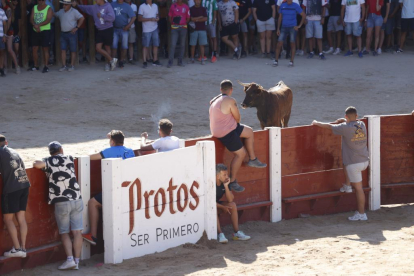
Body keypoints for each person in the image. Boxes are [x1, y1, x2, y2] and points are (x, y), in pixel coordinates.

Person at [311, 106, 369, 221]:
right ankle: (347, 186)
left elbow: (329, 126)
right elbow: (351, 125)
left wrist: (317, 123)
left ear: (346, 116)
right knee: (346, 163)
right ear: (357, 116)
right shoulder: (362, 124)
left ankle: (362, 214)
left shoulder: (344, 128)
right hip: (364, 161)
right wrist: (345, 121)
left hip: (354, 164)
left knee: (358, 189)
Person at [209, 80, 267, 192]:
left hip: (222, 129)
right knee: (240, 154)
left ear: (221, 90)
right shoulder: (231, 100)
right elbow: (238, 118)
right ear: (231, 90)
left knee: (249, 132)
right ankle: (233, 181)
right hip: (226, 132)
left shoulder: (215, 100)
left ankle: (253, 159)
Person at [33, 142, 83, 270]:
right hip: (77, 198)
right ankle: (77, 262)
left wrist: (44, 160)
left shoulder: (49, 161)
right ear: (61, 149)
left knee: (64, 232)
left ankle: (70, 259)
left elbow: (36, 164)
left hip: (61, 201)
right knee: (77, 232)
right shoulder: (70, 158)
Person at [82, 130, 135, 245]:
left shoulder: (108, 151)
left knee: (92, 203)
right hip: (128, 191)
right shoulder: (130, 151)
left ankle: (93, 235)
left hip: (115, 190)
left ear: (112, 141)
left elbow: (89, 157)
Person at [0, 135, 30, 258]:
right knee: (21, 218)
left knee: (7, 219)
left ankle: (17, 248)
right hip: (24, 185)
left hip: (12, 188)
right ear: (6, 142)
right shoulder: (14, 151)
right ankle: (23, 248)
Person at [75, 0, 117, 71]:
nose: (95, 0)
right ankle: (111, 60)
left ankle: (107, 64)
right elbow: (86, 8)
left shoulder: (108, 6)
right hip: (99, 30)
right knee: (98, 48)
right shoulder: (94, 7)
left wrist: (102, 16)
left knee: (107, 47)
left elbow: (112, 18)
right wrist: (77, 5)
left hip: (108, 29)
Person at [215, 164, 251, 243]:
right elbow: (209, 203)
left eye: (227, 174)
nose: (227, 176)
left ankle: (236, 233)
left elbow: (230, 199)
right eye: (224, 175)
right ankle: (220, 234)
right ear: (217, 176)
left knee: (232, 205)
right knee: (213, 209)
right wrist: (223, 207)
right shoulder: (211, 184)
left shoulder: (225, 182)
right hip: (210, 207)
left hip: (218, 205)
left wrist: (226, 186)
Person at [55, 0, 84, 72]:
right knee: (63, 50)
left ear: (70, 5)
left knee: (73, 50)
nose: (64, 6)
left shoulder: (74, 11)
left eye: (66, 4)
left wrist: (77, 27)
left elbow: (82, 18)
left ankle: (72, 65)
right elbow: (54, 14)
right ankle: (64, 66)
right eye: (63, 4)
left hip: (71, 33)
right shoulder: (61, 11)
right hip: (63, 33)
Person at [274, 0, 305, 67]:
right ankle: (276, 61)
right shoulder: (282, 5)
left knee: (292, 44)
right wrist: (278, 28)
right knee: (279, 43)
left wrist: (299, 26)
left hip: (292, 27)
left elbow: (303, 15)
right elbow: (280, 17)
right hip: (284, 27)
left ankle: (291, 61)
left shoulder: (295, 5)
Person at [29, 0, 53, 73]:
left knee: (45, 48)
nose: (40, 1)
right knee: (34, 48)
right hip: (35, 30)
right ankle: (36, 65)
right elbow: (31, 18)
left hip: (45, 30)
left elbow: (48, 19)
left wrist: (38, 25)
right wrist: (35, 25)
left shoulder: (49, 8)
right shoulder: (35, 7)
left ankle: (46, 66)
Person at [111, 0, 135, 68]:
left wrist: (128, 25)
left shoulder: (127, 6)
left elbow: (133, 17)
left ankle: (121, 61)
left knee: (124, 46)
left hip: (124, 29)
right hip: (114, 28)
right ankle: (113, 61)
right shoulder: (112, 4)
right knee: (114, 46)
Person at [138, 0, 162, 68]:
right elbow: (139, 18)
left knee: (155, 45)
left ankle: (155, 60)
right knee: (145, 45)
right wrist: (150, 19)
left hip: (155, 27)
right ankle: (144, 61)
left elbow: (157, 15)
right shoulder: (142, 6)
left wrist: (157, 18)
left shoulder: (155, 6)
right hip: (146, 29)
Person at [167, 0, 190, 67]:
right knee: (173, 45)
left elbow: (188, 17)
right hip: (174, 28)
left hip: (183, 28)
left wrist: (184, 23)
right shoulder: (172, 6)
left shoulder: (186, 7)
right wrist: (173, 23)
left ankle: (180, 61)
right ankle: (170, 62)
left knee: (182, 45)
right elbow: (169, 16)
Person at [188, 0, 208, 64]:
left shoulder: (203, 9)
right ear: (194, 1)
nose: (198, 1)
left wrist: (196, 19)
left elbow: (205, 18)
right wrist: (200, 17)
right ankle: (192, 58)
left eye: (199, 0)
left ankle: (202, 58)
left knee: (202, 45)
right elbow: (191, 19)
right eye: (196, 0)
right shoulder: (191, 9)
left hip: (202, 29)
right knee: (193, 45)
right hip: (194, 29)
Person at [4, 0, 20, 74]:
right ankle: (5, 67)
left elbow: (9, 21)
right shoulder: (4, 8)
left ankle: (17, 66)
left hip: (8, 30)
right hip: (3, 30)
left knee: (9, 49)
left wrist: (4, 32)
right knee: (3, 50)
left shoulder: (8, 9)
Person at [0, 7, 6, 76]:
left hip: (1, 35)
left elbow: (5, 24)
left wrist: (4, 35)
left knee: (2, 51)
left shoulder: (1, 11)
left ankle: (1, 68)